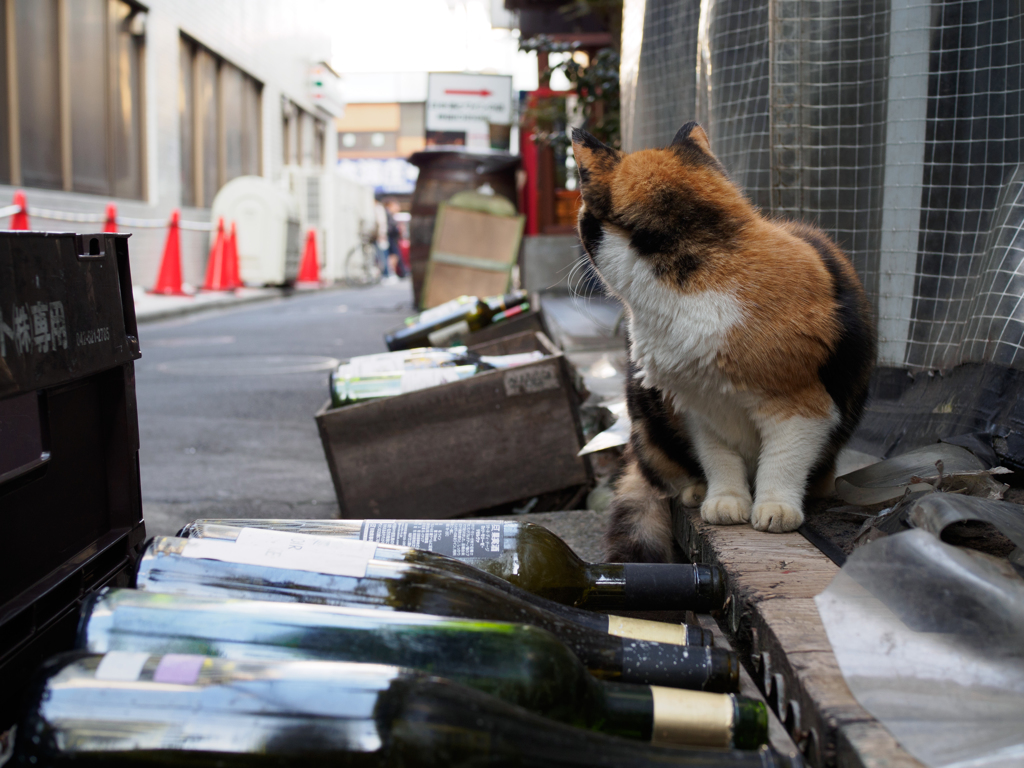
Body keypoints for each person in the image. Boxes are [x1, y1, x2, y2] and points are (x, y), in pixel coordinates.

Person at [385, 200, 405, 278]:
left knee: (394, 256)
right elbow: (390, 227)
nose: (398, 208)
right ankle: (390, 272)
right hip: (390, 238)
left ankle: (391, 272)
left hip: (392, 238)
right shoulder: (387, 214)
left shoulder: (390, 214)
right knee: (393, 256)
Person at [374, 199, 390, 278]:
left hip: (379, 236)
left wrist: (381, 234)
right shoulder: (376, 208)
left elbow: (381, 222)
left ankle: (385, 274)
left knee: (382, 255)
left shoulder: (378, 208)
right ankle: (384, 273)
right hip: (376, 235)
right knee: (380, 255)